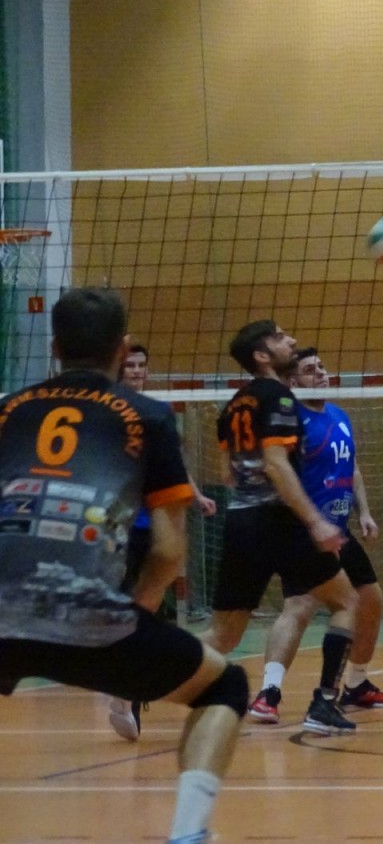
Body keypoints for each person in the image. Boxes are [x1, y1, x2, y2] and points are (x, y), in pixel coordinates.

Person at [0, 288, 246, 844]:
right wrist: (133, 616)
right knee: (225, 686)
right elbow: (169, 550)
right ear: (124, 347)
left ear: (55, 346)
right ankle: (188, 834)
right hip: (82, 611)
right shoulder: (149, 416)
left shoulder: (8, 411)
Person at [200, 320, 360, 735]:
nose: (291, 340)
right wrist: (315, 521)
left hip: (241, 522)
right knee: (346, 601)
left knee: (224, 634)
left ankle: (137, 681)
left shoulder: (234, 404)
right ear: (262, 355)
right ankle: (324, 703)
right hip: (280, 521)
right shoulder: (280, 398)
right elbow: (275, 465)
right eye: (279, 337)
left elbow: (228, 474)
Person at [247, 347, 383, 722]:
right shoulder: (290, 420)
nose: (321, 373)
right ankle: (268, 693)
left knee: (371, 600)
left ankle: (357, 684)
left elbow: (352, 468)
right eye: (310, 369)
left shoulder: (338, 415)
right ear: (292, 380)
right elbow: (276, 471)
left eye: (322, 366)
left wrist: (364, 512)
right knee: (299, 606)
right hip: (305, 530)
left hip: (339, 530)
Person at [108, 343, 219, 741]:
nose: (137, 371)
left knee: (147, 607)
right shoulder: (107, 411)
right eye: (130, 365)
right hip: (114, 523)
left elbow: (172, 465)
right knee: (124, 607)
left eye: (142, 365)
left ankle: (127, 692)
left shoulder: (156, 412)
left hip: (151, 522)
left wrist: (196, 495)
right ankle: (122, 685)